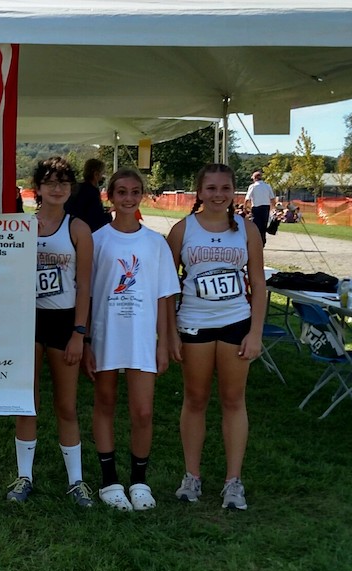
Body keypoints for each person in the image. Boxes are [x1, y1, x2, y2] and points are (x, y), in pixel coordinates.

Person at [166, 163, 265, 511]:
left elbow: (259, 284)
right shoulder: (182, 230)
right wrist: (169, 334)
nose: (218, 194)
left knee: (233, 400)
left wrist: (255, 332)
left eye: (225, 188)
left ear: (234, 191)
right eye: (211, 188)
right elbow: (166, 288)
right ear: (199, 191)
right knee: (194, 399)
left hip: (236, 323)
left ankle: (233, 481)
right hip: (194, 324)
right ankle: (191, 476)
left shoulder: (248, 231)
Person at [83, 167, 179, 511]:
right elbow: (87, 296)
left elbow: (165, 296)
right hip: (106, 336)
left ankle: (139, 480)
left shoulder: (155, 243)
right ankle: (109, 481)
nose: (128, 198)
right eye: (120, 192)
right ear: (110, 196)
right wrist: (87, 342)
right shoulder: (97, 240)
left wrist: (165, 341)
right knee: (105, 404)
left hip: (142, 339)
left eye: (134, 191)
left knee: (143, 411)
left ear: (142, 195)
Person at [6, 157, 95, 507]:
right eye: (49, 182)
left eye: (63, 182)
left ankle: (76, 481)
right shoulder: (22, 226)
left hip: (64, 322)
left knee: (67, 406)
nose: (57, 188)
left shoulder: (78, 229)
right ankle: (24, 475)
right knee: (27, 402)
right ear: (38, 188)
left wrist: (79, 333)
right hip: (28, 322)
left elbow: (85, 284)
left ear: (70, 187)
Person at [65, 158, 111, 233]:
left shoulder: (77, 187)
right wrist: (109, 216)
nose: (103, 177)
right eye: (102, 173)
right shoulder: (92, 192)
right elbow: (95, 218)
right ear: (96, 174)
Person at [245, 170, 275, 246]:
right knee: (264, 225)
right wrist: (274, 208)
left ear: (254, 178)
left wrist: (245, 208)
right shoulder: (267, 186)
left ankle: (256, 240)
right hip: (266, 208)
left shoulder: (253, 186)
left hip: (256, 208)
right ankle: (263, 240)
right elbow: (272, 198)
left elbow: (247, 198)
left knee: (256, 225)